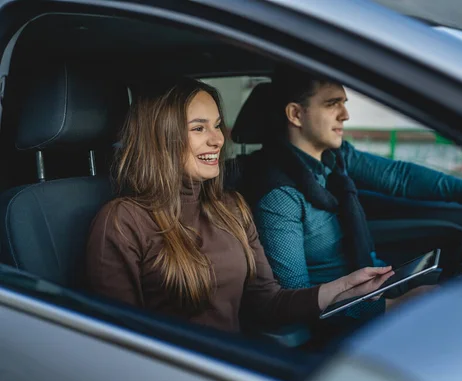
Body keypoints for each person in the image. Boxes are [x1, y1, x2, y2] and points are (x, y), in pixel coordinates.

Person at [85, 78, 395, 333]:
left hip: (232, 364)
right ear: (161, 139)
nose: (217, 139)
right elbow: (119, 339)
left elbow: (268, 303)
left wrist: (344, 289)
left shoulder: (230, 208)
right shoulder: (123, 221)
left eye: (217, 125)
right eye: (198, 128)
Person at [240, 67, 462, 319]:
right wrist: (393, 306)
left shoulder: (335, 158)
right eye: (332, 104)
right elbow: (295, 299)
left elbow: (399, 177)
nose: (345, 115)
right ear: (295, 114)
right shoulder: (279, 196)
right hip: (338, 319)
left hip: (366, 288)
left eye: (344, 103)